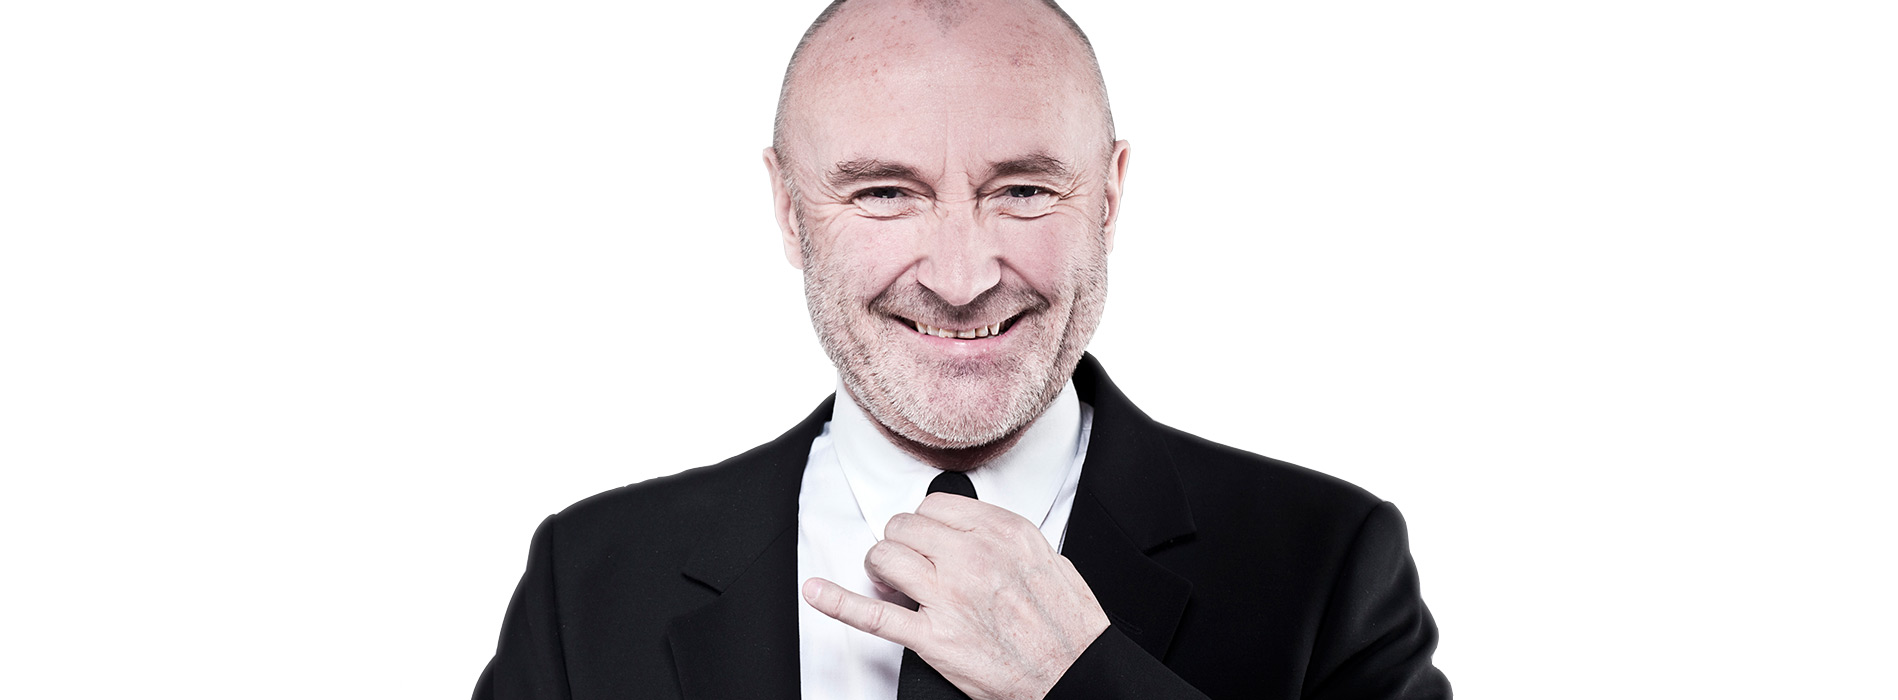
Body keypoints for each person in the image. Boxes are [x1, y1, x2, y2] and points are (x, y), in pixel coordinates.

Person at [475, 0, 1450, 698]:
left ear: (1110, 198)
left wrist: (1085, 681)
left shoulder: (1328, 562)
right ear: (787, 208)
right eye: (883, 193)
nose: (958, 276)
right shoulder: (589, 577)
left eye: (1022, 190)